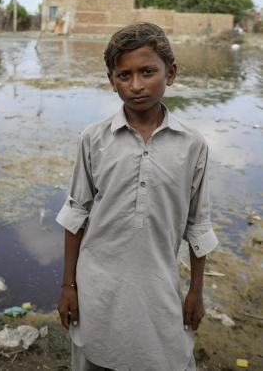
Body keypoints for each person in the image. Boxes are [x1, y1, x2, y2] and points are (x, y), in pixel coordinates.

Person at [56, 22, 218, 371]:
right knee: (97, 354)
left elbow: (198, 225)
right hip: (97, 283)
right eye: (124, 75)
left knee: (163, 356)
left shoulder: (192, 146)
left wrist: (196, 290)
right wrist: (69, 285)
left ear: (170, 73)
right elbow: (75, 215)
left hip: (159, 285)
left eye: (148, 72)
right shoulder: (94, 139)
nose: (136, 85)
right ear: (112, 81)